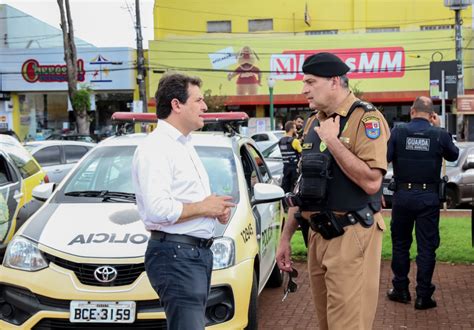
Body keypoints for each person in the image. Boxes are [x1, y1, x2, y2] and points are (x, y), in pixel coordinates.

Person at [276, 52, 390, 330]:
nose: (304, 90)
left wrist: (333, 140)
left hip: (351, 234)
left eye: (310, 82)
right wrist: (286, 236)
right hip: (318, 234)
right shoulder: (314, 122)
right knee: (327, 323)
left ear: (335, 82)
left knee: (348, 325)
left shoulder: (366, 118)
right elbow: (304, 183)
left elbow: (372, 182)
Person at [132, 72, 235, 329]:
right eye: (198, 100)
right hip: (177, 255)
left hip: (191, 254)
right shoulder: (157, 147)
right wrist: (204, 207)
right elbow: (157, 209)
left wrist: (212, 210)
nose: (205, 106)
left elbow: (184, 200)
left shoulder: (184, 144)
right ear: (176, 105)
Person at [386, 96, 459, 310]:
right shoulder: (438, 135)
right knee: (426, 248)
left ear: (411, 111)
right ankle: (423, 296)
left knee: (400, 245)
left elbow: (386, 157)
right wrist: (440, 128)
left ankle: (400, 290)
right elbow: (454, 155)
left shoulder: (398, 132)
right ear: (432, 115)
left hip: (402, 197)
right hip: (428, 199)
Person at [278, 120, 302, 193]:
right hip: (294, 169)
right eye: (295, 128)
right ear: (291, 129)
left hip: (285, 168)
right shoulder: (295, 141)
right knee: (294, 188)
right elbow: (302, 153)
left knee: (285, 187)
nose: (296, 130)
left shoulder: (281, 141)